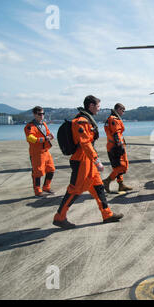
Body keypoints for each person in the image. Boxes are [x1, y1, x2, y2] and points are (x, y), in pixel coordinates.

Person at [53, 95, 124, 229]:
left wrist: (94, 160)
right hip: (81, 161)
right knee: (75, 190)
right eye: (97, 106)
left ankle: (107, 214)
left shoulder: (85, 120)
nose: (99, 109)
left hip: (88, 161)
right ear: (91, 106)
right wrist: (97, 161)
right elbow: (85, 143)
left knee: (98, 187)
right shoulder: (81, 121)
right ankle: (60, 217)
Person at [24, 106, 56, 197]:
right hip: (36, 152)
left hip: (45, 151)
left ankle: (46, 187)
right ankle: (37, 190)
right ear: (34, 114)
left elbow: (48, 133)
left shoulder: (44, 124)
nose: (42, 115)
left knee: (51, 169)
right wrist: (44, 139)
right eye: (39, 114)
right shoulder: (29, 126)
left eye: (43, 113)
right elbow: (30, 138)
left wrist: (50, 136)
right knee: (38, 172)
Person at [102, 103, 132, 193]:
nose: (123, 112)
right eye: (122, 110)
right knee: (121, 167)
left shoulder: (111, 119)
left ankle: (121, 184)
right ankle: (107, 181)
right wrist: (120, 145)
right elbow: (116, 133)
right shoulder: (114, 119)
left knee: (119, 166)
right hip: (115, 147)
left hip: (112, 146)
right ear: (118, 109)